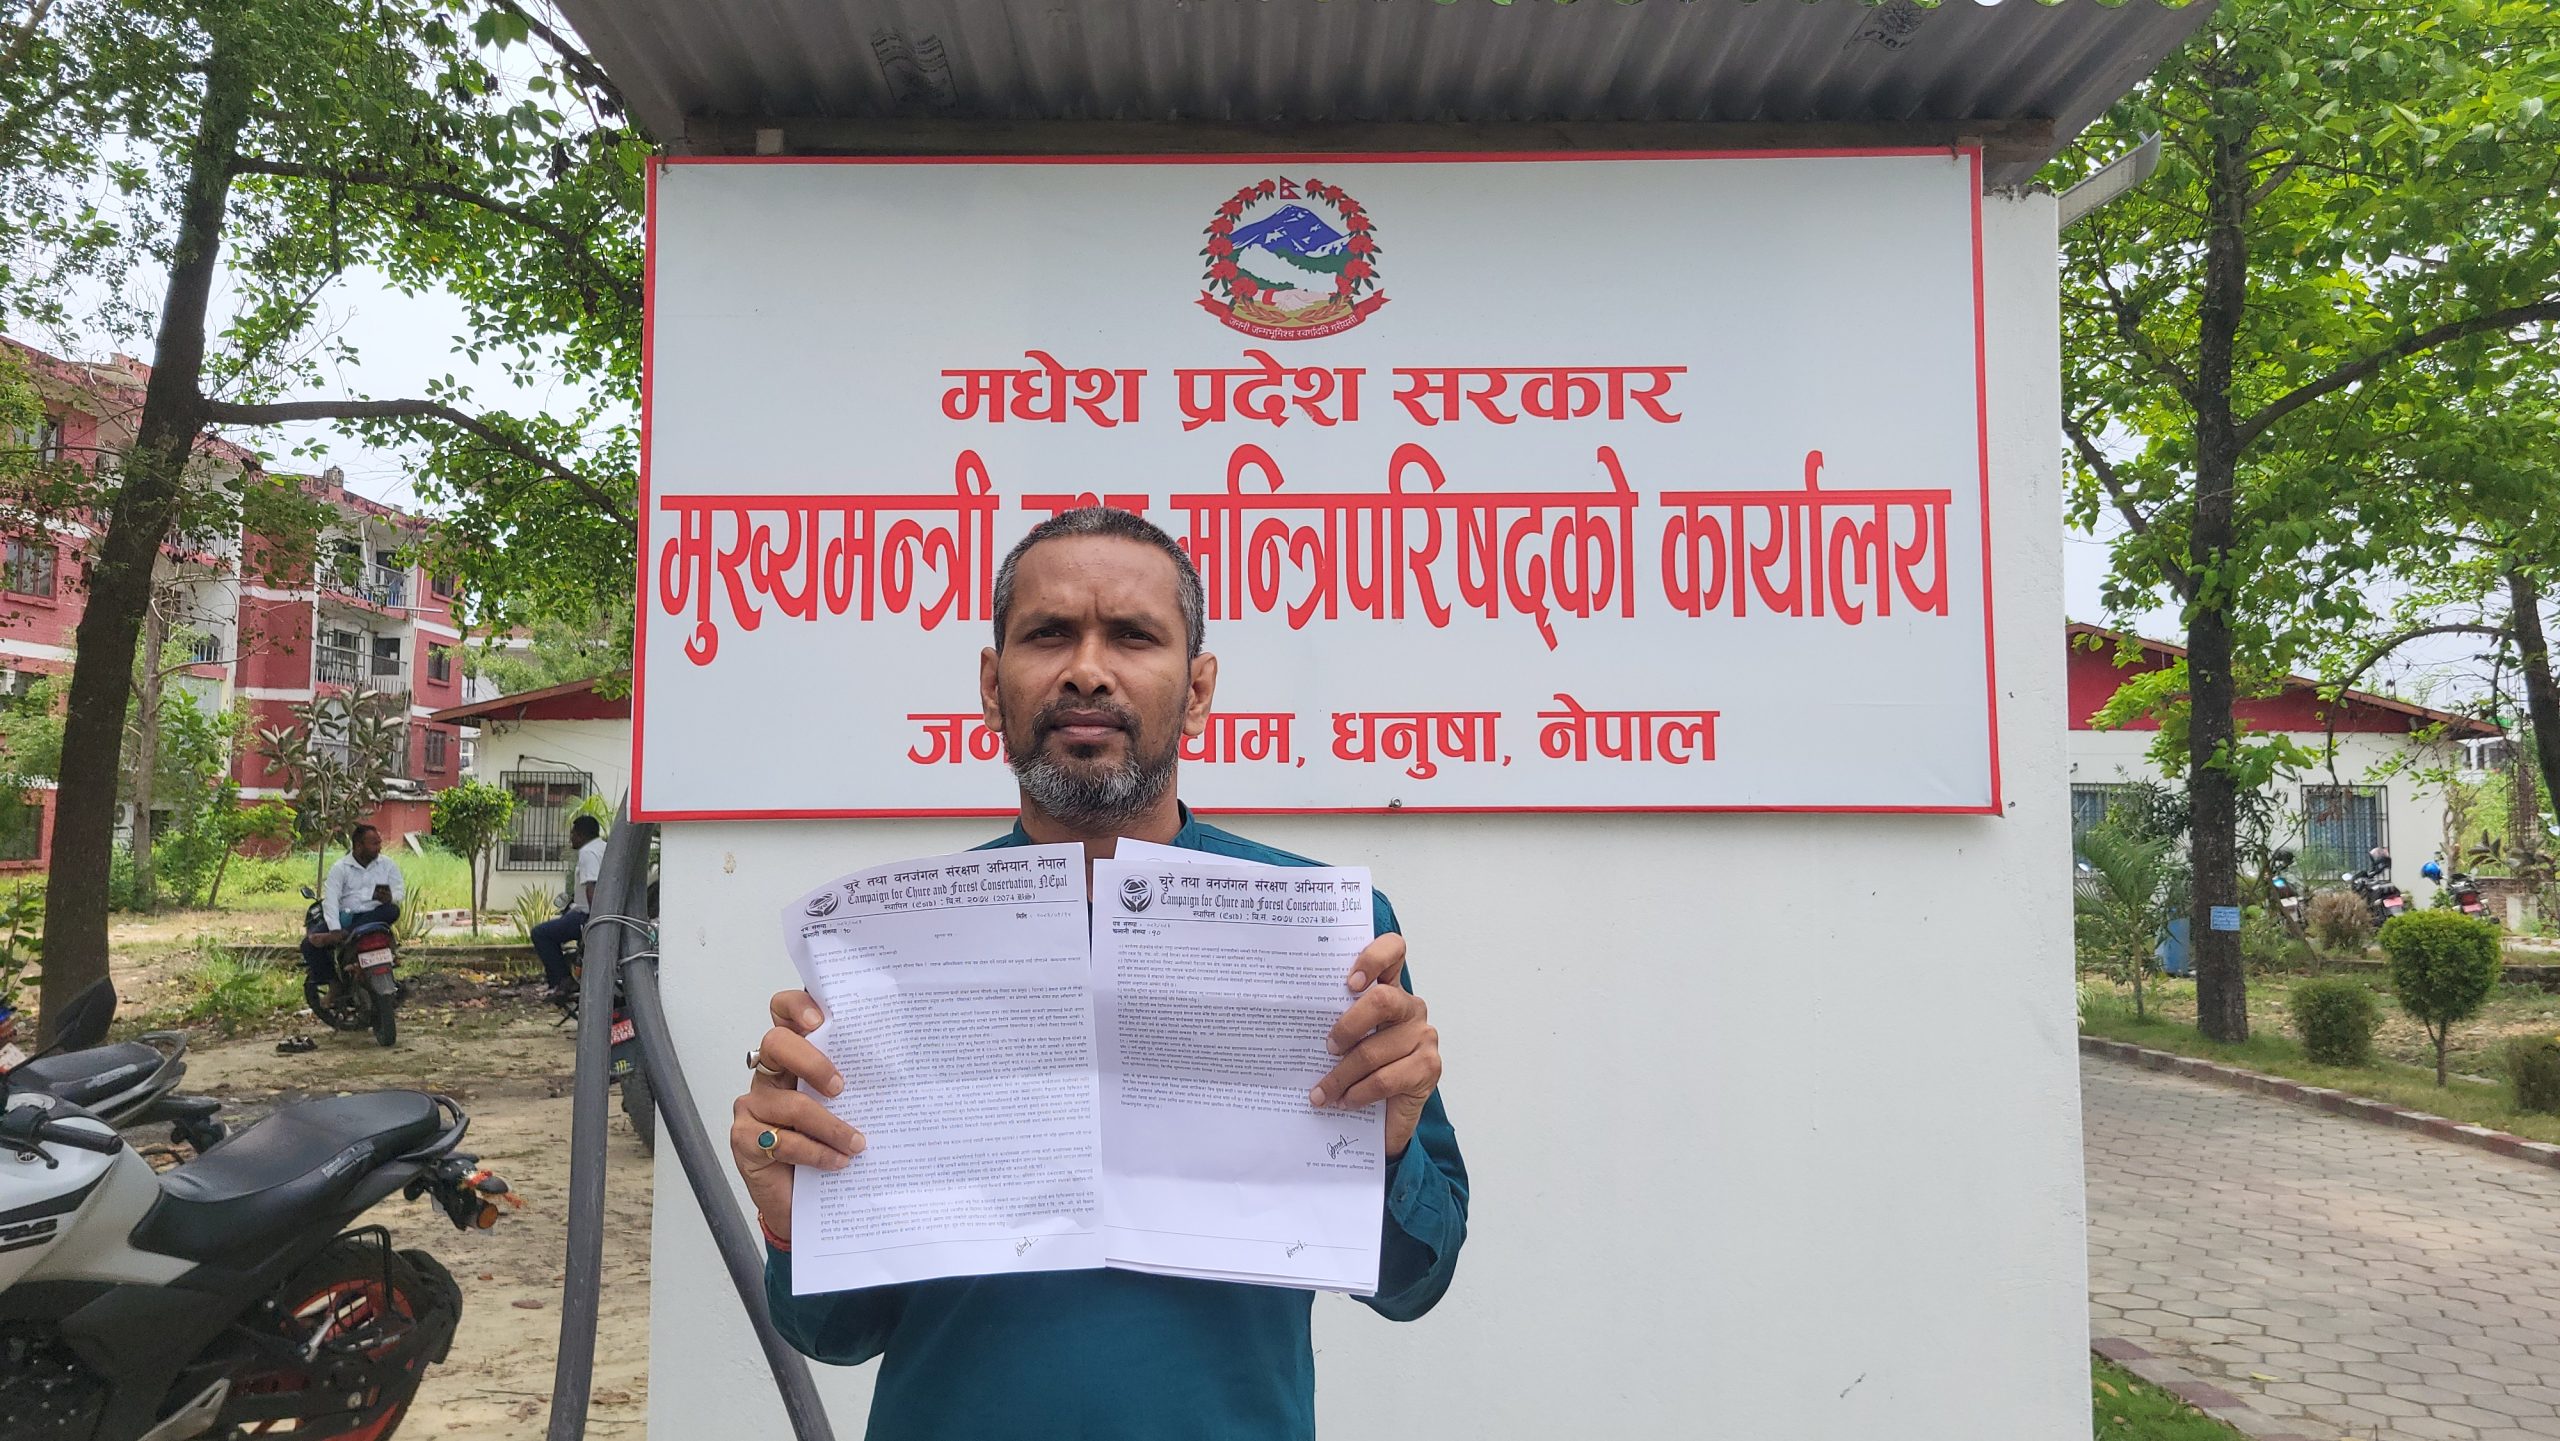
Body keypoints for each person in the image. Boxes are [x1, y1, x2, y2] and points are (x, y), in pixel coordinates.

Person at [730, 507, 1467, 1441]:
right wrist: (791, 1217)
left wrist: (1390, 1149)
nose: (1087, 668)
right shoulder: (892, 946)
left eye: (1132, 635)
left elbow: (1413, 1282)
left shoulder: (1327, 935)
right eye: (1049, 634)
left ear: (1197, 690)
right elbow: (838, 1333)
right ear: (992, 686)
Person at [303, 823, 404, 989]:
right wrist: (334, 929)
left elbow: (399, 891)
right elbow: (331, 900)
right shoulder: (340, 868)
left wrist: (390, 896)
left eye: (379, 843)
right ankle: (333, 983)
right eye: (374, 844)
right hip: (348, 918)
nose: (379, 848)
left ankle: (347, 934)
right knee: (308, 944)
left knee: (392, 910)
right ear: (358, 845)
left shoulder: (388, 865)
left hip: (375, 916)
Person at [532, 814, 604, 1001]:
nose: (571, 837)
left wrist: (594, 921)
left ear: (581, 834)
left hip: (586, 915)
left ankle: (562, 981)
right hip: (590, 912)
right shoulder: (603, 848)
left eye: (572, 833)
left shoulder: (587, 852)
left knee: (541, 933)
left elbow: (592, 886)